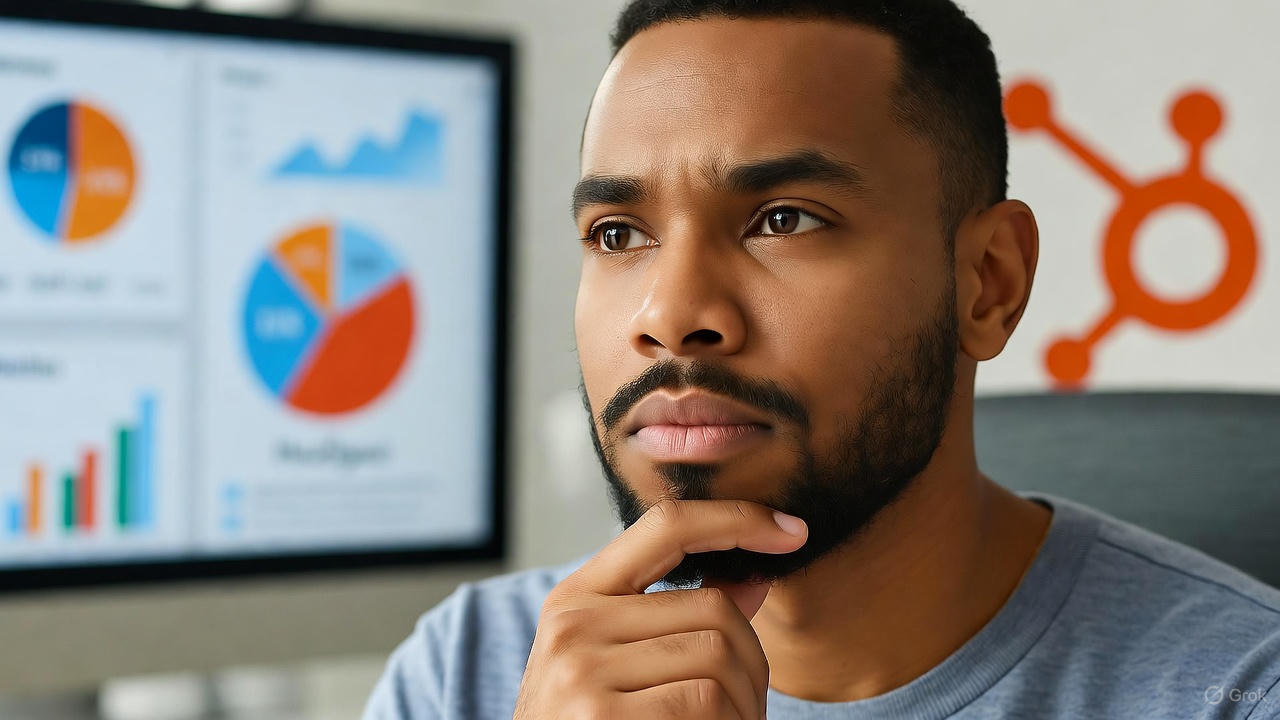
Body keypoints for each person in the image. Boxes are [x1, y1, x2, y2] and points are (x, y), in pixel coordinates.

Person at [364, 1, 1280, 717]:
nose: (672, 316)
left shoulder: (1242, 691)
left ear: (988, 285)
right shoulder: (471, 673)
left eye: (783, 220)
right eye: (617, 233)